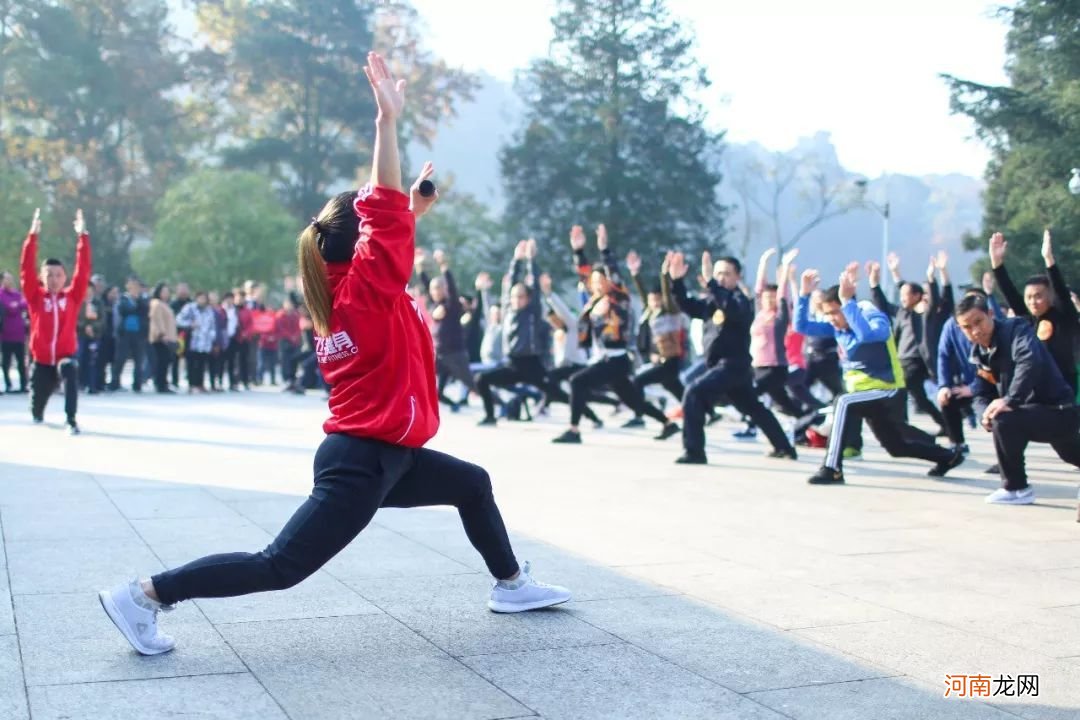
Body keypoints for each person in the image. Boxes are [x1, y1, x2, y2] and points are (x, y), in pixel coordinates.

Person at [98, 52, 570, 657]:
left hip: (383, 455)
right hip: (362, 463)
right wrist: (386, 124)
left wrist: (411, 210)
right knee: (278, 566)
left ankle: (510, 584)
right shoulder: (365, 290)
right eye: (382, 221)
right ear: (364, 239)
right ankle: (144, 595)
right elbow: (382, 218)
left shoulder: (345, 289)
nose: (393, 219)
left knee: (472, 484)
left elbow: (383, 233)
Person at [795, 264, 964, 485]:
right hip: (864, 395)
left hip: (887, 390)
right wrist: (804, 295)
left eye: (835, 312)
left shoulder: (871, 315)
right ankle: (949, 457)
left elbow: (870, 335)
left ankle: (832, 468)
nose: (832, 319)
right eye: (827, 314)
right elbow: (801, 326)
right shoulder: (837, 327)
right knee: (896, 447)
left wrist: (847, 304)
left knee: (842, 402)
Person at [667, 250, 797, 464]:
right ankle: (784, 447)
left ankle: (694, 451)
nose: (720, 278)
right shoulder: (712, 301)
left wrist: (711, 284)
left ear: (737, 277)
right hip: (720, 367)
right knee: (753, 407)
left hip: (733, 365)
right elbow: (688, 305)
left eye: (726, 274)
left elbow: (732, 310)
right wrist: (677, 280)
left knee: (693, 392)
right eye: (717, 273)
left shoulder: (740, 300)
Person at [552, 226, 679, 444]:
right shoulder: (595, 301)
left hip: (616, 358)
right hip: (605, 358)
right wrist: (579, 251)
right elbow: (583, 274)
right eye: (594, 281)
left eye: (601, 280)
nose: (596, 284)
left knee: (577, 382)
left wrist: (604, 249)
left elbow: (615, 275)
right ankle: (668, 423)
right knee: (632, 400)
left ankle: (574, 430)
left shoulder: (618, 299)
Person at [954, 292, 1080, 507]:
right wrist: (984, 412)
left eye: (978, 322)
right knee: (1001, 419)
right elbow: (981, 392)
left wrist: (1010, 400)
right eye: (967, 327)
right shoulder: (979, 354)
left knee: (1005, 419)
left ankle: (1017, 489)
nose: (975, 331)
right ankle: (1015, 487)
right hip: (1032, 413)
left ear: (990, 314)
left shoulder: (1016, 330)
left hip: (1059, 409)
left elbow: (1029, 362)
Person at [19, 208, 91, 434]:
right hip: (41, 361)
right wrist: (32, 236)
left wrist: (83, 236)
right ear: (42, 277)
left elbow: (84, 270)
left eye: (58, 275)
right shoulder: (35, 296)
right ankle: (38, 409)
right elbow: (25, 269)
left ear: (65, 277)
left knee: (71, 368)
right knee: (37, 409)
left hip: (64, 356)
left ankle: (71, 419)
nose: (54, 279)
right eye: (49, 274)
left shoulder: (72, 296)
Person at [868, 254, 950, 437]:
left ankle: (902, 427)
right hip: (900, 360)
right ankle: (943, 424)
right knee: (918, 398)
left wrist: (932, 277)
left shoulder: (927, 315)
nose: (902, 298)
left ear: (917, 296)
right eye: (902, 295)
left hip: (916, 361)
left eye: (906, 295)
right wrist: (874, 283)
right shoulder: (903, 313)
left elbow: (936, 300)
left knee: (903, 390)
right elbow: (883, 305)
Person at [990, 230, 1079, 396]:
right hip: (1037, 389)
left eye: (1038, 296)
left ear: (1050, 296)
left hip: (1064, 388)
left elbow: (1060, 290)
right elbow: (1009, 292)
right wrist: (997, 262)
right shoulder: (1027, 319)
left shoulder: (1063, 316)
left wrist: (1048, 259)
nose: (1033, 302)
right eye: (1029, 297)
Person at [475, 240, 549, 426]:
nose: (516, 300)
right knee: (481, 379)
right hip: (512, 363)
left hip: (532, 364)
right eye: (514, 297)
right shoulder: (508, 309)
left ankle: (589, 416)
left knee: (558, 392)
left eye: (521, 297)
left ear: (528, 299)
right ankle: (490, 416)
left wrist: (531, 260)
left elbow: (537, 291)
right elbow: (510, 288)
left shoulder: (532, 311)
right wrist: (516, 260)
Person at [621, 249, 688, 428]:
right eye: (651, 300)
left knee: (638, 381)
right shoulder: (651, 312)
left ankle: (640, 414)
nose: (654, 303)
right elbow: (643, 294)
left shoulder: (670, 312)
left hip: (670, 360)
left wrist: (664, 273)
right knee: (674, 388)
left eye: (657, 300)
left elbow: (666, 294)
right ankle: (706, 412)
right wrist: (635, 274)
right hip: (661, 361)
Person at [1, 270, 29, 393]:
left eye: (11, 278)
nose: (9, 281)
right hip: (5, 335)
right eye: (7, 278)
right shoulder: (1, 295)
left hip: (19, 334)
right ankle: (8, 384)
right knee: (5, 362)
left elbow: (24, 305)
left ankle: (23, 385)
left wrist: (16, 305)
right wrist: (16, 306)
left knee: (21, 361)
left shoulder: (17, 294)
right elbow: (10, 308)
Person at [148, 283, 178, 394]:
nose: (166, 294)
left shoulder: (165, 304)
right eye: (164, 291)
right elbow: (157, 320)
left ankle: (164, 383)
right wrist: (162, 334)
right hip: (161, 338)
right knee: (161, 361)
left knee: (166, 361)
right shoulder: (156, 304)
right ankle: (160, 384)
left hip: (169, 337)